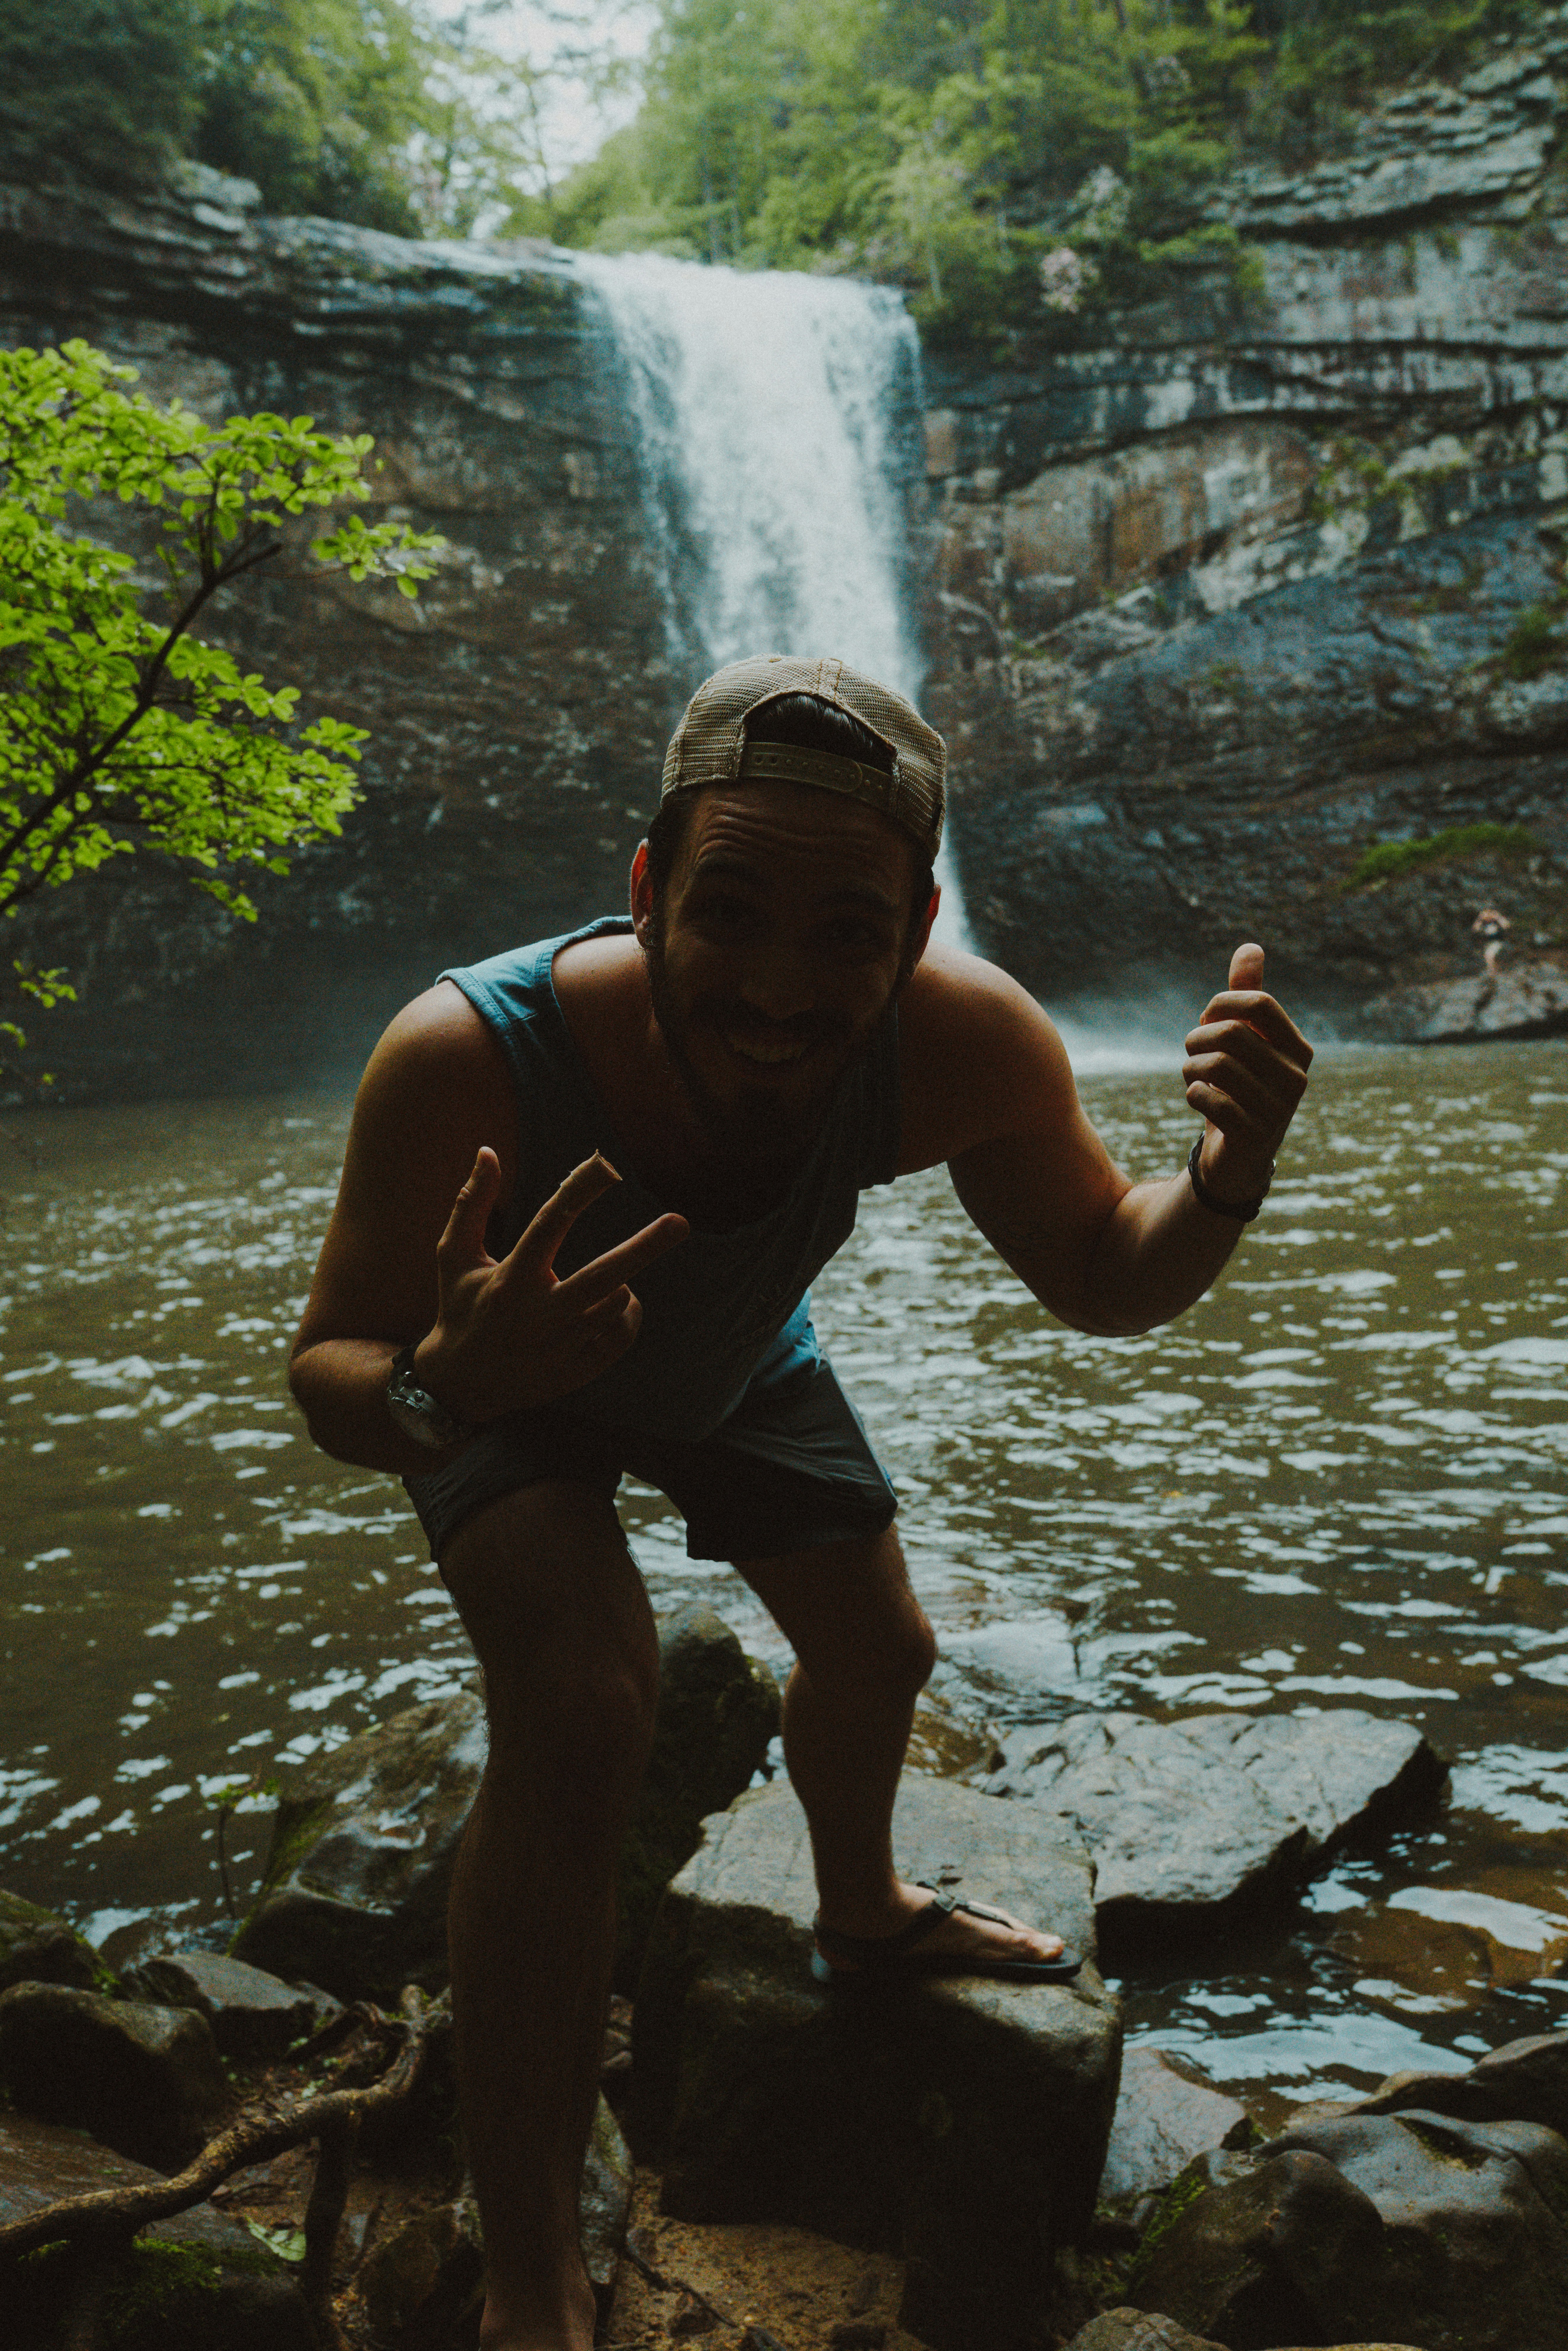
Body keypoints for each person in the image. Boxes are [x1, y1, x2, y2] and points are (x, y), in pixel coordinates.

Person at [288, 654, 1313, 2351]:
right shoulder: (463, 1051)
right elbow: (336, 1365)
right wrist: (453, 1382)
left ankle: (859, 1899)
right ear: (642, 889)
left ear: (915, 928)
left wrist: (1226, 1170)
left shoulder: (961, 1039)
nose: (780, 982)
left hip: (738, 1343)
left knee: (882, 1643)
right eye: (732, 908)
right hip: (496, 1368)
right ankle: (536, 2256)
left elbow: (1104, 1276)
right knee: (587, 1698)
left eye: (846, 929)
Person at [1473, 905, 1511, 978]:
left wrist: (1498, 917)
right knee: (1488, 955)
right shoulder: (1483, 922)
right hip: (1487, 944)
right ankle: (1493, 972)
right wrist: (1480, 919)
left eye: (1489, 913)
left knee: (1489, 955)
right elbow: (1476, 929)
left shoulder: (1497, 921)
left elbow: (1507, 926)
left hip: (1499, 942)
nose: (1488, 916)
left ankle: (1492, 973)